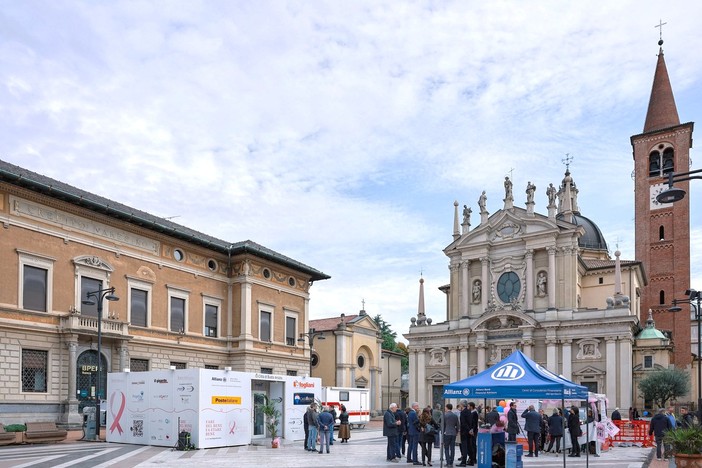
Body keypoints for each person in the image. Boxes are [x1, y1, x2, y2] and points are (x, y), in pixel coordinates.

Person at [457, 401, 470, 466]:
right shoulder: (468, 411)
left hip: (464, 432)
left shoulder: (463, 412)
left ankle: (463, 461)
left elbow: (463, 423)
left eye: (460, 405)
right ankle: (466, 460)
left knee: (464, 447)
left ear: (462, 405)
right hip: (468, 432)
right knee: (467, 446)